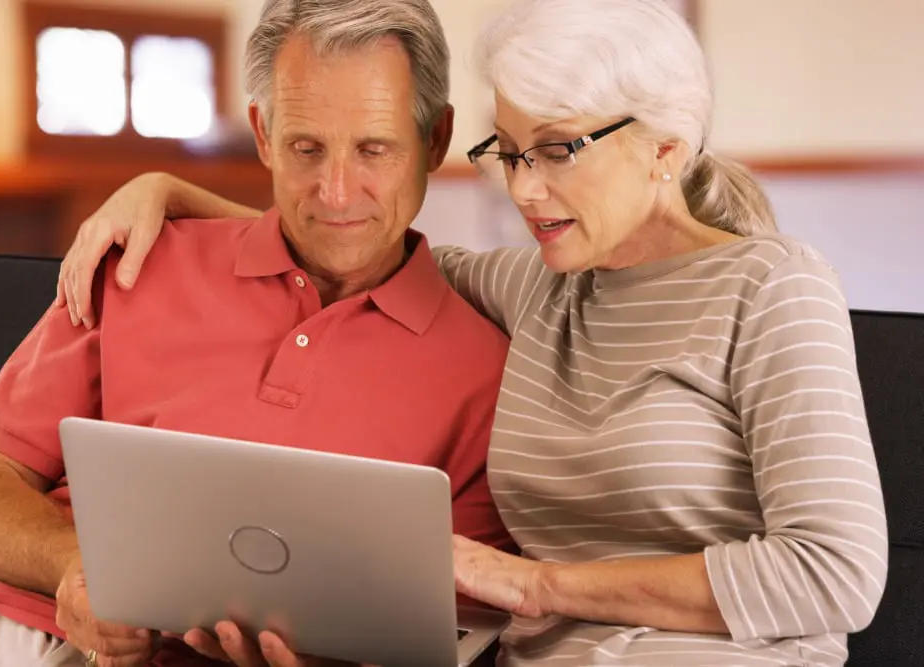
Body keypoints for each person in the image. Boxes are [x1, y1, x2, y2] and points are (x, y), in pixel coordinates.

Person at [56, 0, 891, 665]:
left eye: (559, 150)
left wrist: (539, 584)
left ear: (665, 149)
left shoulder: (774, 287)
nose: (525, 191)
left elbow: (834, 574)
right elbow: (350, 226)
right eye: (512, 151)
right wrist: (167, 188)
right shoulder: (536, 284)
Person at [0, 1, 517, 665]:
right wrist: (80, 566)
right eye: (306, 148)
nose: (337, 191)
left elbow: (446, 627)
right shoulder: (141, 258)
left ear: (435, 140)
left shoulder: (485, 376)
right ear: (263, 134)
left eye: (374, 149)